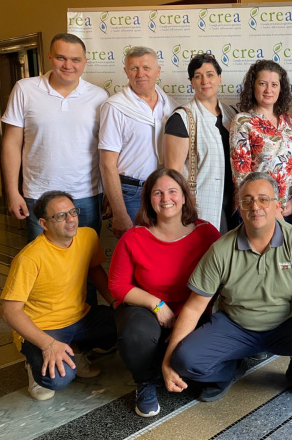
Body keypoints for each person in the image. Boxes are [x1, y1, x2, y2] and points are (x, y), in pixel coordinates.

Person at [161, 172, 292, 405]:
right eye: (247, 201)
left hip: (287, 323)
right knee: (185, 360)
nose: (255, 206)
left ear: (277, 205)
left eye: (263, 199)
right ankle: (227, 372)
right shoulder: (221, 249)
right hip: (236, 326)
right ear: (239, 207)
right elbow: (194, 308)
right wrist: (168, 360)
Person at [109, 168, 220, 417]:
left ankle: (167, 364)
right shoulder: (133, 237)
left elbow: (221, 280)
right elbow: (117, 285)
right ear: (149, 199)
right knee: (137, 333)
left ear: (184, 196)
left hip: (193, 311)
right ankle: (145, 382)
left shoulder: (207, 233)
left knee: (204, 371)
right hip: (146, 312)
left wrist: (184, 322)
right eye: (157, 193)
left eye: (172, 191)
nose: (165, 198)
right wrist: (156, 304)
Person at [0, 191, 116, 401]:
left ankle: (74, 349)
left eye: (73, 212)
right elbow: (9, 312)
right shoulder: (29, 258)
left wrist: (115, 302)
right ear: (44, 224)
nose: (70, 219)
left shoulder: (87, 236)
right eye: (61, 216)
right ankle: (33, 363)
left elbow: (95, 270)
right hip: (44, 327)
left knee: (126, 322)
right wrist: (48, 344)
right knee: (58, 379)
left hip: (80, 317)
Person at [1, 33, 108, 243]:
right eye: (61, 58)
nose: (68, 65)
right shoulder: (25, 89)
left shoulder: (99, 96)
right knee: (43, 259)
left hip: (86, 195)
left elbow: (106, 149)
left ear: (84, 62)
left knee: (86, 258)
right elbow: (11, 144)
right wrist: (12, 192)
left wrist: (110, 194)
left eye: (75, 59)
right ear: (50, 57)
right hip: (39, 196)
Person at [99, 46, 176, 238]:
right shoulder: (115, 107)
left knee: (164, 249)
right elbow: (107, 164)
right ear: (126, 72)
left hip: (165, 191)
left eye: (146, 68)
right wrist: (119, 212)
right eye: (134, 68)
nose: (140, 74)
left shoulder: (171, 106)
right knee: (135, 251)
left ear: (158, 71)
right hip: (131, 194)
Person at [164, 54, 239, 233]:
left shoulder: (233, 114)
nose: (205, 81)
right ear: (191, 82)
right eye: (198, 76)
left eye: (210, 74)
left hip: (234, 204)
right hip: (202, 205)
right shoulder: (182, 118)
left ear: (219, 78)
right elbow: (173, 174)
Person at [230, 60, 292, 225]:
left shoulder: (289, 122)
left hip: (287, 208)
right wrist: (270, 209)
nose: (269, 90)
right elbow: (241, 174)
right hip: (256, 210)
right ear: (253, 86)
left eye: (274, 84)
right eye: (262, 83)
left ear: (281, 89)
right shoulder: (243, 121)